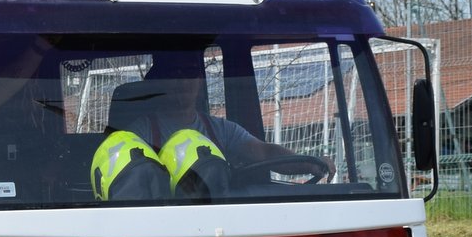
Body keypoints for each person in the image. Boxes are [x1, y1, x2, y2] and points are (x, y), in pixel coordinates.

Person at [92, 51, 332, 201]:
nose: (183, 83)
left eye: (189, 76)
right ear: (161, 83)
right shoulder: (139, 133)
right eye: (175, 76)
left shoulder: (221, 130)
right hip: (163, 228)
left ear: (199, 82)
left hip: (218, 221)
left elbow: (264, 152)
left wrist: (308, 162)